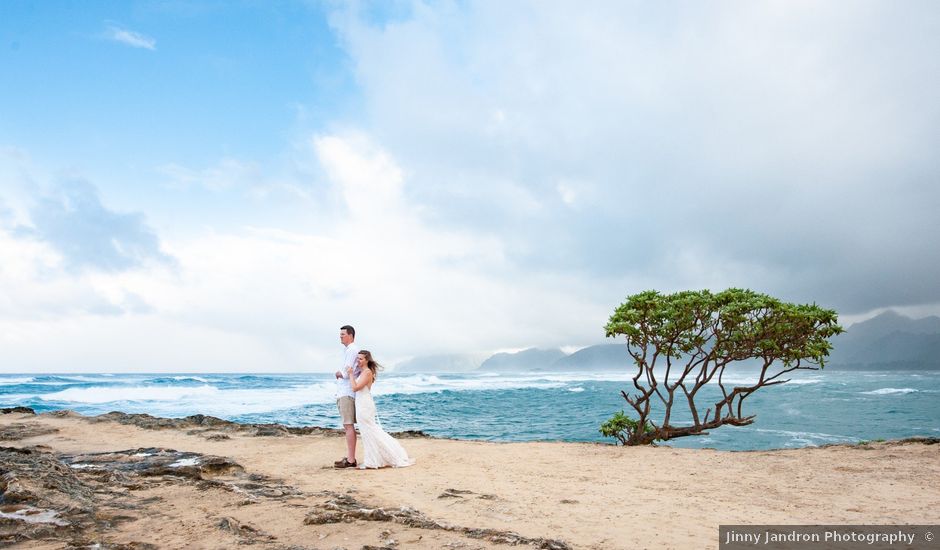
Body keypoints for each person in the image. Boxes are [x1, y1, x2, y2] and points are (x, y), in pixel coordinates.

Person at [346, 350, 415, 469]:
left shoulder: (367, 372)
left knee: (370, 430)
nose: (358, 360)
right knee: (367, 431)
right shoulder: (363, 372)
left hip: (365, 405)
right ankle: (372, 459)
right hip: (361, 403)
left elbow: (355, 388)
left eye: (361, 359)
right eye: (357, 358)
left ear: (367, 360)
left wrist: (351, 374)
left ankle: (374, 460)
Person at [333, 325, 360, 468]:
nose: (340, 337)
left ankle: (351, 460)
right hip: (344, 391)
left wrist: (339, 374)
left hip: (347, 392)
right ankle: (350, 458)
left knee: (348, 425)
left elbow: (348, 371)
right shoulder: (348, 350)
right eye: (340, 334)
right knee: (347, 425)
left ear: (350, 335)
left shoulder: (352, 350)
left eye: (343, 334)